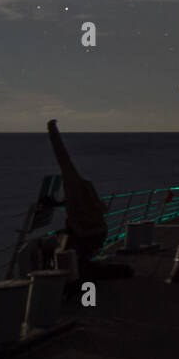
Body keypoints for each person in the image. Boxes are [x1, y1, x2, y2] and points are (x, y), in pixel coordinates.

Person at [47, 119, 111, 278]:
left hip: (86, 235)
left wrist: (52, 130)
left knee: (58, 245)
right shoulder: (87, 188)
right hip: (99, 233)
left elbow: (61, 155)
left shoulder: (72, 184)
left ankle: (69, 281)